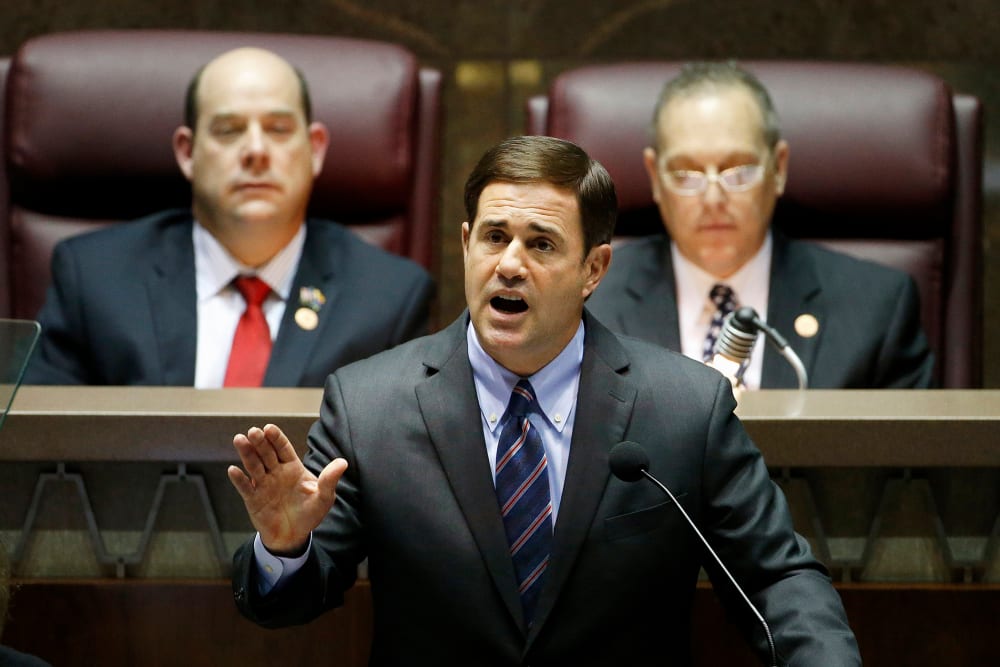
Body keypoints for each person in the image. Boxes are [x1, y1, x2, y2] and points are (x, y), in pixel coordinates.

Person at [228, 135, 860, 665]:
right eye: (494, 237)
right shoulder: (368, 404)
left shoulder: (684, 407)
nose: (509, 265)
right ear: (467, 242)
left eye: (541, 244)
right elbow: (290, 604)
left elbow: (777, 579)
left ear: (594, 268)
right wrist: (284, 548)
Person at [23, 47, 433, 387]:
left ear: (316, 149)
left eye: (277, 129)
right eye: (228, 130)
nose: (256, 150)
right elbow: (44, 451)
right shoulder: (94, 280)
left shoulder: (388, 299)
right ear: (188, 152)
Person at [587, 61, 933, 389]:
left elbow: (911, 448)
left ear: (779, 168)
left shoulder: (875, 309)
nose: (712, 198)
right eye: (685, 174)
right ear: (655, 178)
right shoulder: (588, 303)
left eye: (738, 171)